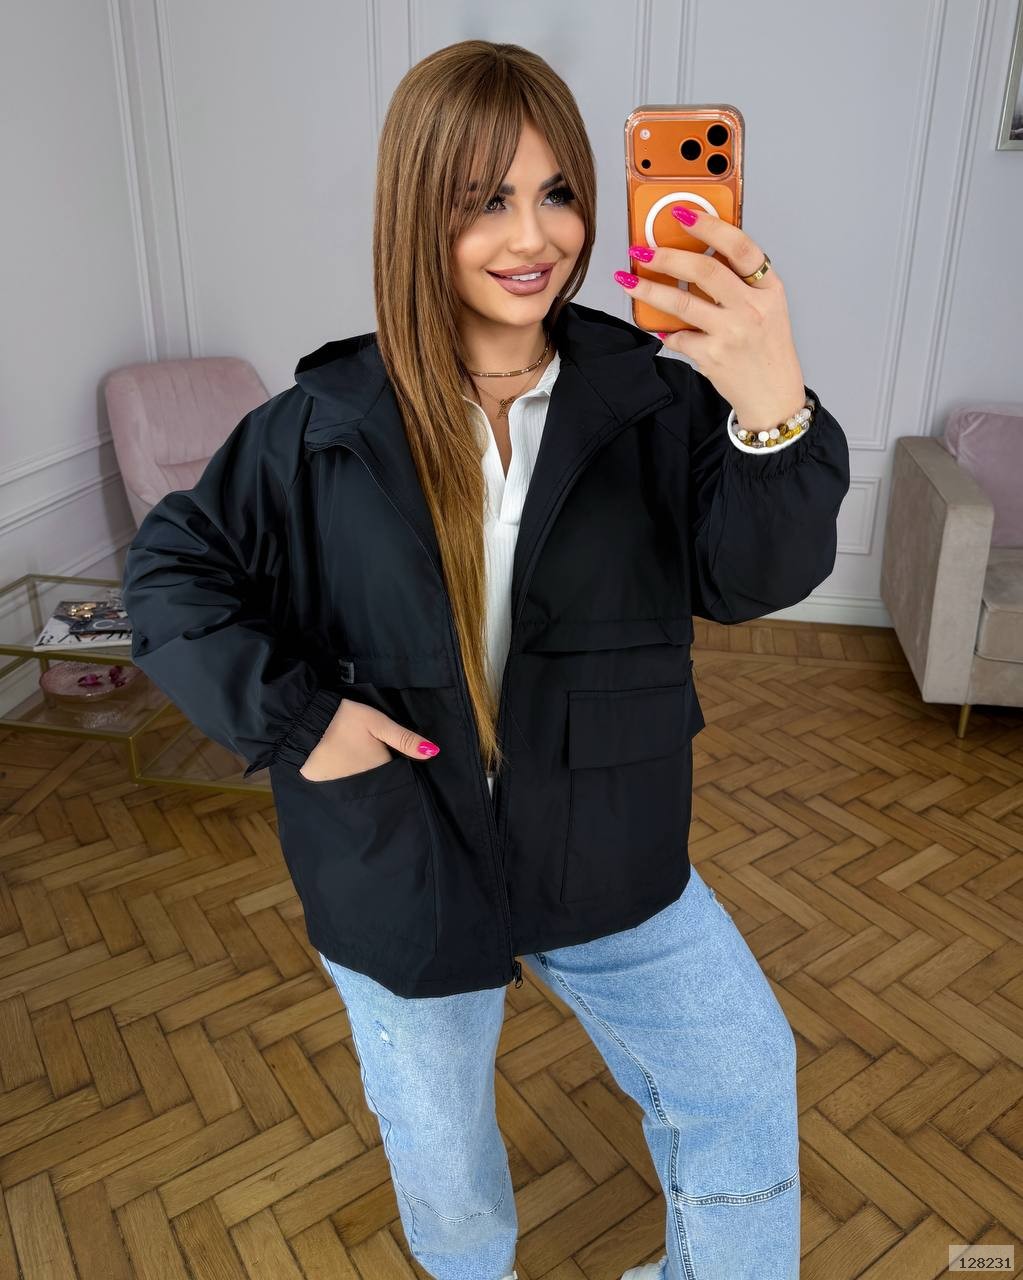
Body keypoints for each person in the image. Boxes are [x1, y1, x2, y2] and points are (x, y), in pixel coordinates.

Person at [121, 39, 850, 1280]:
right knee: (443, 1155)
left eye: (559, 191)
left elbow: (751, 580)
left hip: (614, 843)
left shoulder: (657, 402)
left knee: (740, 1076)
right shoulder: (320, 425)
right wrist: (303, 720)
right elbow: (171, 570)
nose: (534, 235)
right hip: (400, 859)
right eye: (484, 199)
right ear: (418, 211)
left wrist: (772, 404)